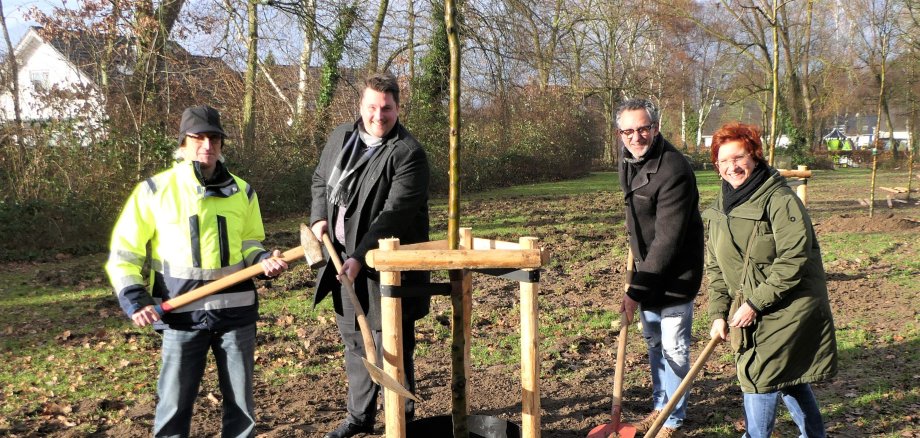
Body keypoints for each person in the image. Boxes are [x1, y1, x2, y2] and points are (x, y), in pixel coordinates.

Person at [105, 105, 288, 438]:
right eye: (198, 137)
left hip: (235, 316)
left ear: (222, 144)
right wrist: (134, 298)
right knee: (173, 405)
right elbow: (124, 254)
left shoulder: (244, 192)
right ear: (183, 143)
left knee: (241, 408)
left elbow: (249, 243)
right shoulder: (154, 192)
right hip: (180, 316)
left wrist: (263, 261)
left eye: (214, 138)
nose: (207, 145)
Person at [310, 72, 431, 438]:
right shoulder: (341, 137)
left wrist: (361, 256)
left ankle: (402, 420)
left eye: (387, 108)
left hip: (386, 269)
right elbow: (319, 180)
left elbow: (393, 215)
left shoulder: (408, 154)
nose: (379, 115)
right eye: (372, 107)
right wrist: (318, 218)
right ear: (361, 106)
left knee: (390, 347)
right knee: (355, 342)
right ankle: (359, 418)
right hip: (341, 260)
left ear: (398, 108)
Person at [704, 122, 837, 438]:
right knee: (789, 378)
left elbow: (794, 258)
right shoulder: (719, 208)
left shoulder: (779, 199)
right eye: (723, 161)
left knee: (759, 377)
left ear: (754, 156)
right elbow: (716, 269)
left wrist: (753, 303)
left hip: (791, 306)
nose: (731, 167)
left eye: (738, 158)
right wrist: (717, 314)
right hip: (752, 306)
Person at [616, 98, 704, 438]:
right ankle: (660, 405)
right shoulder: (628, 158)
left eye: (643, 129)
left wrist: (635, 292)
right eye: (628, 131)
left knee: (674, 346)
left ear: (655, 128)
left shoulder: (674, 170)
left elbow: (667, 241)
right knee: (654, 343)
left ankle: (673, 420)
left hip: (674, 275)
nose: (636, 137)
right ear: (620, 133)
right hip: (647, 268)